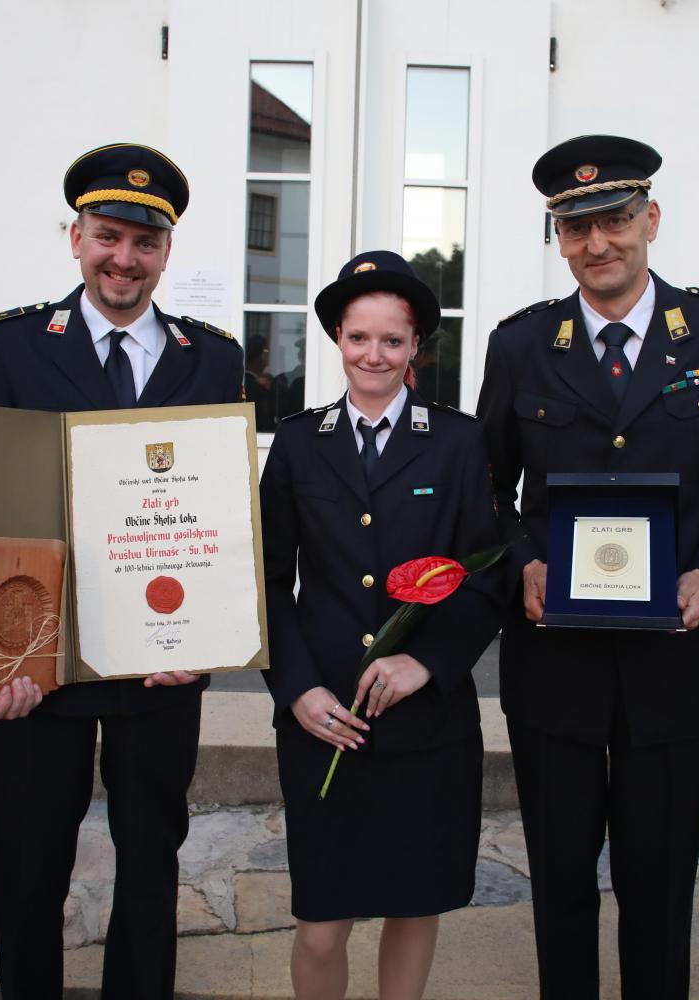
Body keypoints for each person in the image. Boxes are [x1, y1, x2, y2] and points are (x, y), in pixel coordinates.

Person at [475, 134, 699, 999]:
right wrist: (525, 563)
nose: (597, 243)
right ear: (558, 239)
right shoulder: (522, 343)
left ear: (651, 219)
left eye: (615, 220)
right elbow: (484, 491)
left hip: (673, 668)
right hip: (554, 664)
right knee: (560, 885)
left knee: (660, 890)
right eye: (576, 227)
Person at [0, 142, 243, 1000]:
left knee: (152, 859)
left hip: (160, 661)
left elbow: (217, 508)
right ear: (76, 238)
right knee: (28, 862)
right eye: (108, 236)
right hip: (38, 661)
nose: (124, 258)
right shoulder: (8, 345)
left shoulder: (212, 357)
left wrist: (204, 638)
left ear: (167, 251)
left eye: (144, 242)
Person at [260, 250, 504, 1000]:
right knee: (321, 921)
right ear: (337, 337)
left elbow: (485, 574)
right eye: (359, 337)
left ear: (415, 347)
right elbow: (266, 581)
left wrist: (426, 662)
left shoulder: (458, 442)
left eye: (392, 340)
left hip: (424, 720)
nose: (375, 355)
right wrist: (297, 690)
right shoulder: (298, 441)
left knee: (413, 901)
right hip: (325, 715)